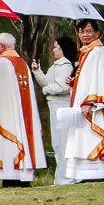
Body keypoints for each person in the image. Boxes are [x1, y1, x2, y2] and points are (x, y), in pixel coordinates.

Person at [0, 33, 46, 185]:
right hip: (24, 113)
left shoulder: (2, 63)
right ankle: (24, 178)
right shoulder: (22, 63)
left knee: (9, 142)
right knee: (23, 136)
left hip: (7, 113)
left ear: (2, 46)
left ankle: (10, 178)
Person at [65, 18, 104, 182]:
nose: (85, 34)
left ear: (97, 33)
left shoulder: (99, 52)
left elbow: (99, 79)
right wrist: (73, 82)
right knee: (82, 137)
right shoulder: (86, 53)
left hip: (95, 106)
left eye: (89, 31)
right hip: (82, 103)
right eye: (81, 31)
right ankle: (83, 175)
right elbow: (86, 79)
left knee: (93, 135)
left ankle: (98, 173)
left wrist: (91, 102)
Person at [32, 36, 79, 184]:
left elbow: (63, 87)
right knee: (57, 143)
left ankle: (67, 178)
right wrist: (37, 71)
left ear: (62, 48)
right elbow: (46, 81)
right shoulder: (56, 66)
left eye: (55, 46)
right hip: (54, 106)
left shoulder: (65, 66)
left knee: (63, 142)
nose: (53, 50)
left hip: (62, 107)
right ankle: (61, 178)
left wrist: (46, 90)